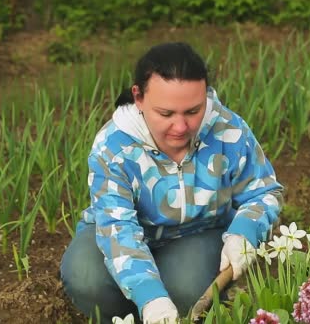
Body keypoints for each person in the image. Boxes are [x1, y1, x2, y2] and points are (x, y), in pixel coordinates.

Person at [60, 42, 283, 323]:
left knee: (188, 290)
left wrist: (244, 232)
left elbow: (264, 192)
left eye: (193, 111)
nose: (181, 127)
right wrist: (150, 296)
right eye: (166, 114)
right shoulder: (113, 147)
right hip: (123, 233)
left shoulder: (228, 130)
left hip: (196, 233)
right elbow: (118, 230)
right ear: (138, 97)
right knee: (85, 276)